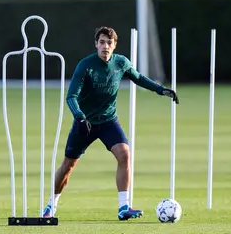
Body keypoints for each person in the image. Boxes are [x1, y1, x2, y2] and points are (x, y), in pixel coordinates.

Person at [43, 26, 179, 220]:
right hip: (85, 123)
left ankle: (124, 208)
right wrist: (79, 116)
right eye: (102, 42)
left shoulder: (121, 63)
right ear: (96, 44)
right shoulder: (86, 65)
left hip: (108, 121)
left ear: (114, 45)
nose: (105, 46)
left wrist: (161, 90)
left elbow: (138, 78)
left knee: (124, 155)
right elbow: (71, 96)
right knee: (67, 167)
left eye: (109, 42)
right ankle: (50, 206)